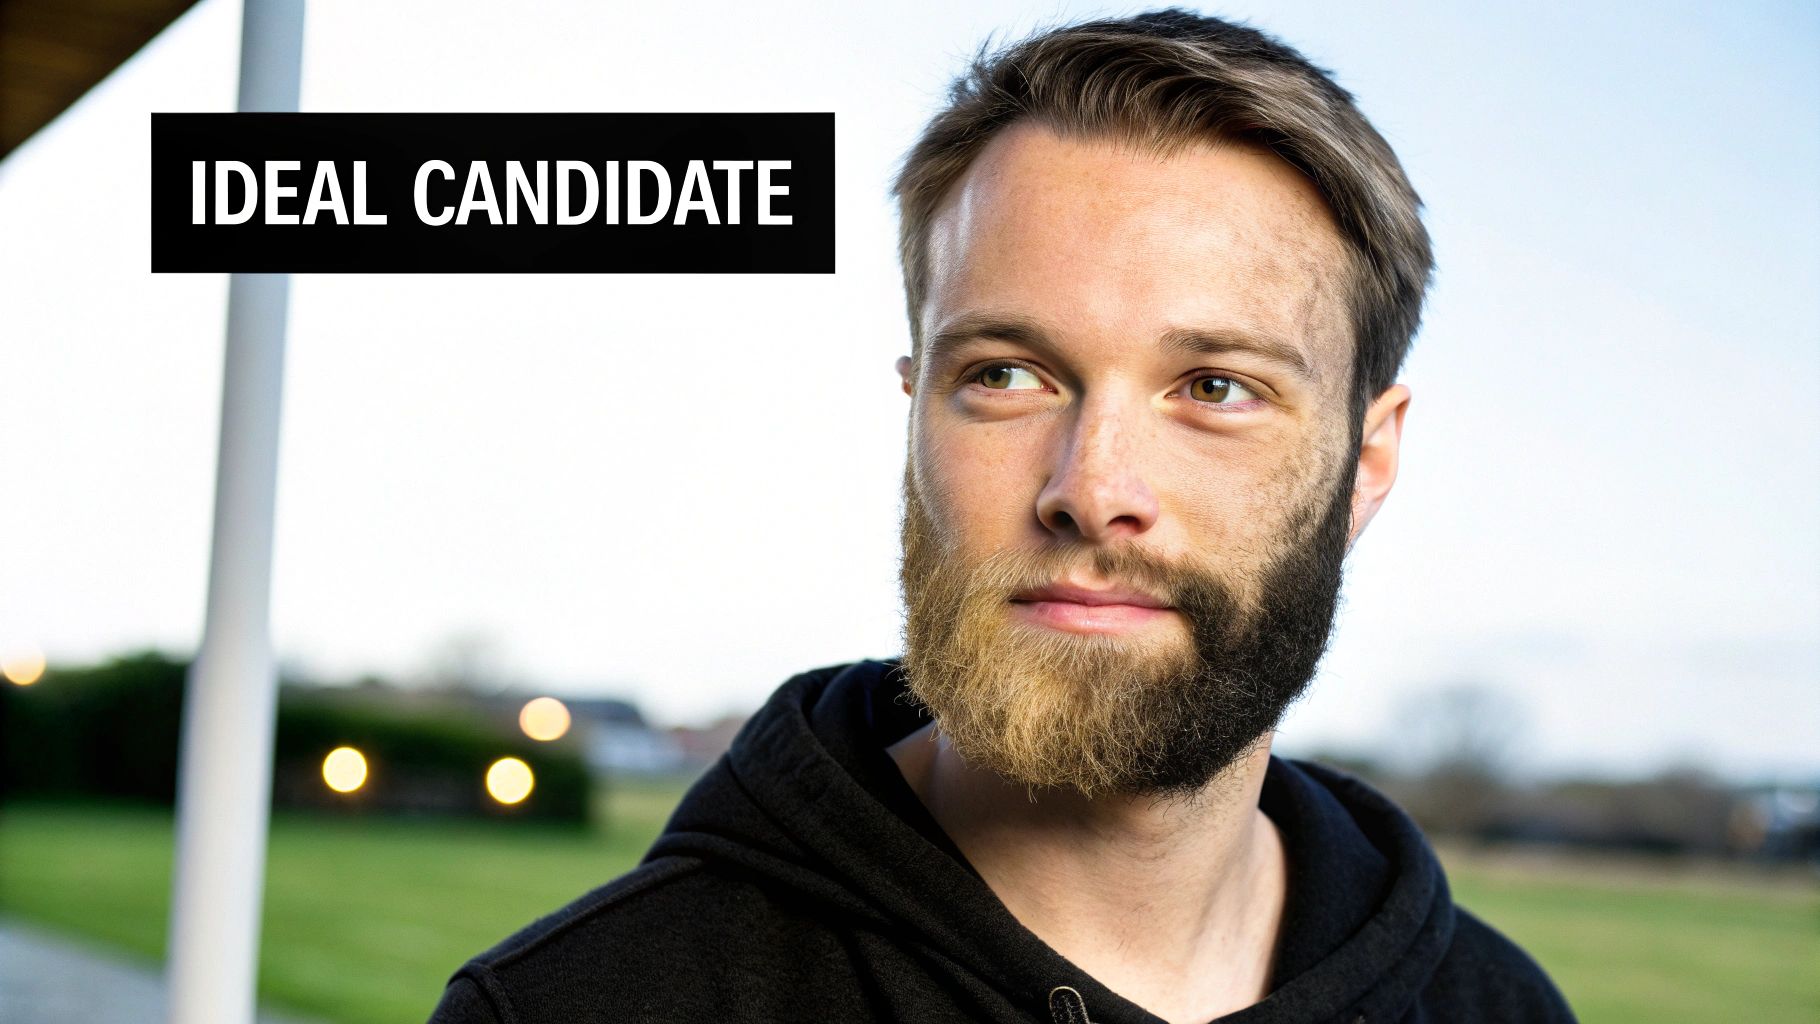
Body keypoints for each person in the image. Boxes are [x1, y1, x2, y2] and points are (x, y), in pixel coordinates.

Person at [430, 9, 1576, 1023]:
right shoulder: (565, 1007)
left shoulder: (1501, 1008)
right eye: (1005, 375)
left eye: (1214, 387)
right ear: (915, 410)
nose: (1090, 486)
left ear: (1366, 460)